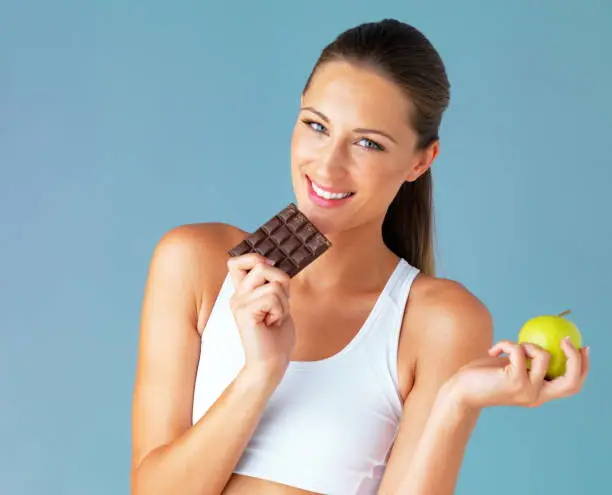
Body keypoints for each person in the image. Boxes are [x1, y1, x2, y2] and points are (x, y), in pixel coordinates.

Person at [130, 18, 590, 495]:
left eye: (367, 143)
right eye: (317, 126)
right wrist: (260, 373)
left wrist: (455, 402)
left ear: (420, 161)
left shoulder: (438, 321)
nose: (327, 166)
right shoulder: (197, 264)